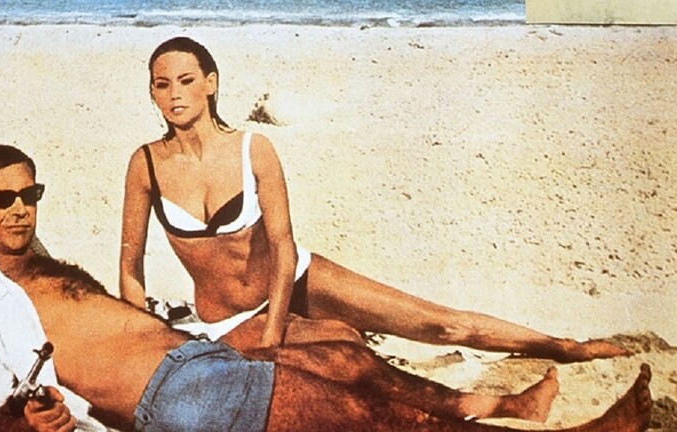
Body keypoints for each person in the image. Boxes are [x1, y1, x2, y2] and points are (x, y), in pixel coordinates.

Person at [0, 144, 652, 432]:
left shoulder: (33, 266)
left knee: (348, 361)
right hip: (180, 396)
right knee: (368, 417)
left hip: (198, 360)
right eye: (0, 199)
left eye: (29, 194)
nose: (19, 209)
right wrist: (33, 422)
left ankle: (508, 406)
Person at [119, 36, 629, 360]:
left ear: (210, 84)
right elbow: (130, 264)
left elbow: (283, 247)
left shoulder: (255, 148)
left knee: (438, 323)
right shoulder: (145, 164)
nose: (175, 93)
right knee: (348, 357)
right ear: (152, 94)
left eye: (186, 80)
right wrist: (140, 339)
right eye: (162, 85)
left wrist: (274, 335)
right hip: (225, 319)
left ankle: (564, 347)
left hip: (296, 283)